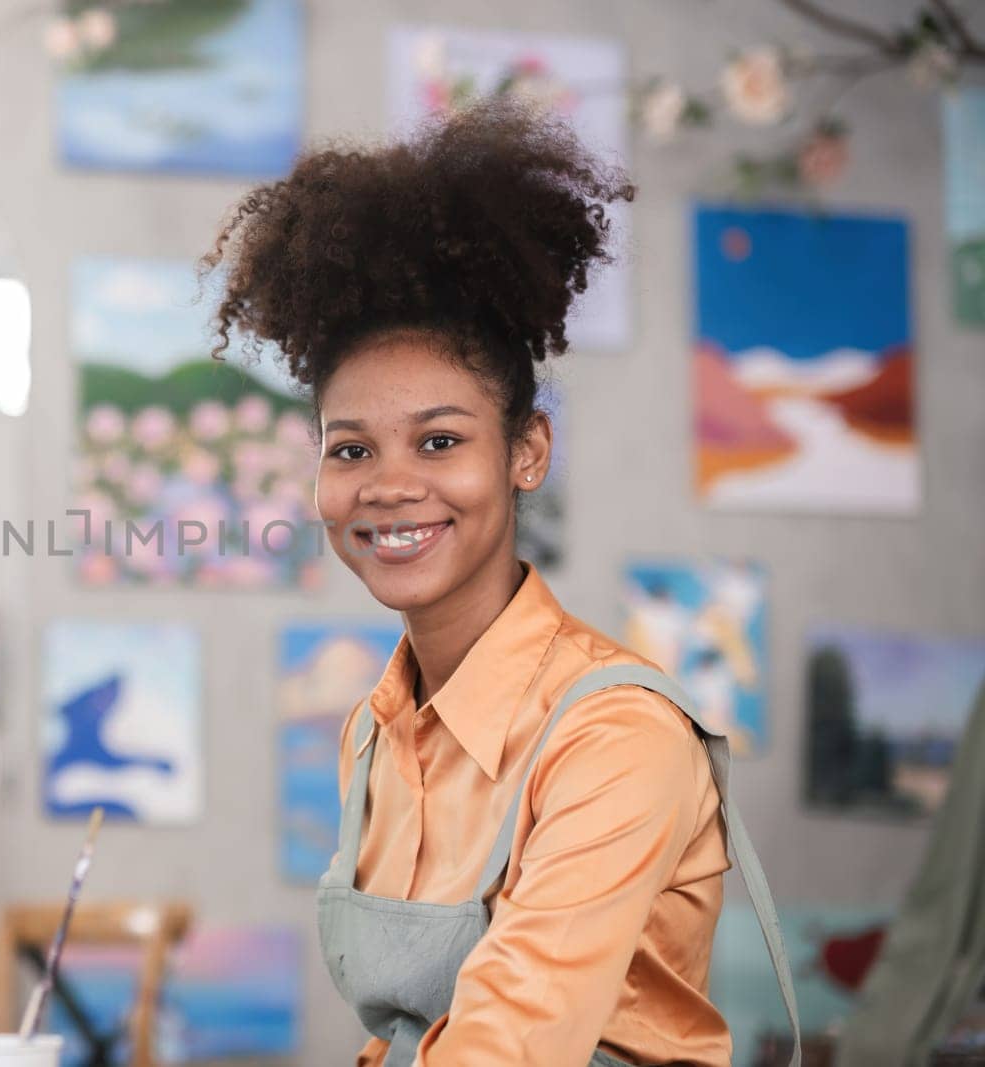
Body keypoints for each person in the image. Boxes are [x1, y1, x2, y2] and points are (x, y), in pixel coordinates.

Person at [203, 98, 798, 1066]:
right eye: (350, 447)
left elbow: (508, 1041)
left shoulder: (615, 736)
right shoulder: (374, 726)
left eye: (440, 440)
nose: (390, 484)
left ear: (526, 451)